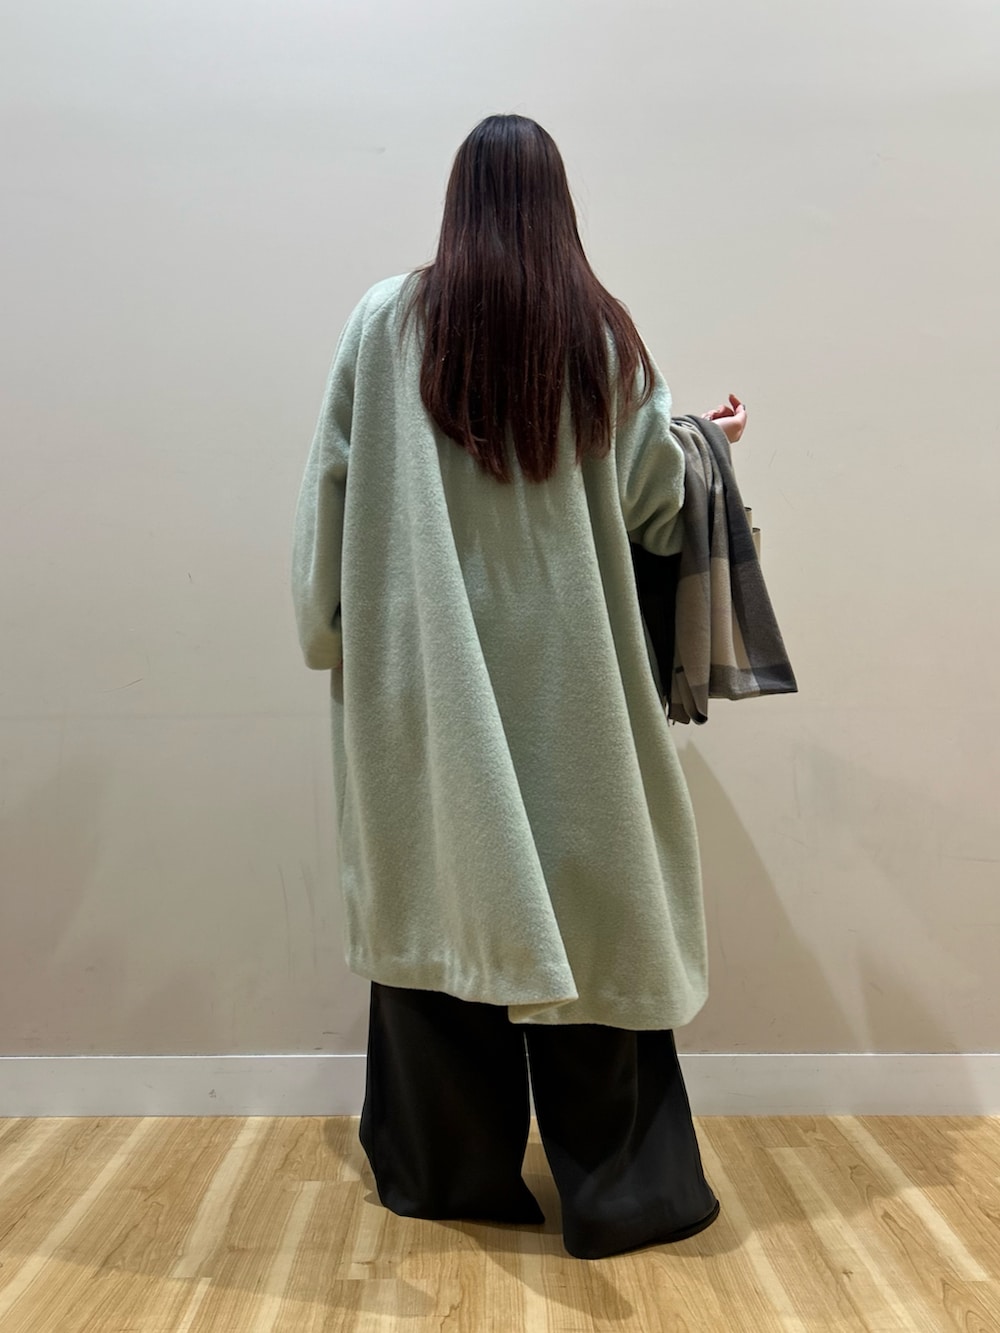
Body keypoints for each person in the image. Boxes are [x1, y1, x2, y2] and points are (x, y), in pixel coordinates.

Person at [291, 114, 746, 1260]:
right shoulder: (599, 337)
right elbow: (656, 507)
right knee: (597, 932)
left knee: (442, 914)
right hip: (572, 693)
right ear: (557, 204)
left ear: (458, 200)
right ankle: (624, 1193)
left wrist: (325, 631)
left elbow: (328, 487)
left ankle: (447, 1172)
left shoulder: (384, 323)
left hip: (425, 689)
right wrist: (709, 440)